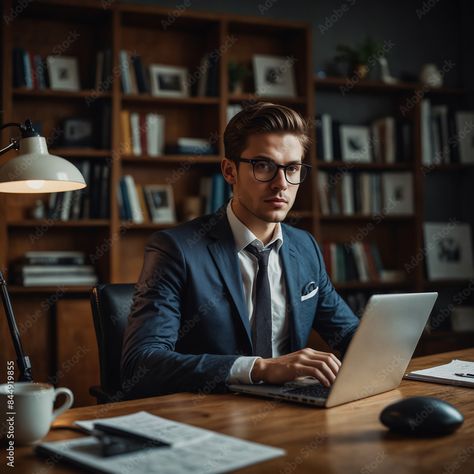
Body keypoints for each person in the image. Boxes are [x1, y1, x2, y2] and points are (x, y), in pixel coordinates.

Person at [121, 102, 360, 398]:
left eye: (292, 168)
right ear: (230, 171)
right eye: (263, 166)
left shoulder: (305, 247)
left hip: (292, 412)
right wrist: (259, 368)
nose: (281, 184)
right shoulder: (177, 250)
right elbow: (140, 363)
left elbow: (351, 336)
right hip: (211, 417)